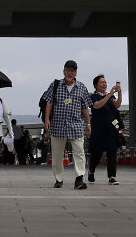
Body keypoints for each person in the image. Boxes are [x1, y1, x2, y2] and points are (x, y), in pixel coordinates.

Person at [42, 60, 92, 190]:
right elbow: (49, 103)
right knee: (57, 154)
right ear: (64, 71)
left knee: (79, 152)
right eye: (68, 70)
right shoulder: (55, 85)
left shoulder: (81, 87)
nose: (70, 73)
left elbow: (85, 107)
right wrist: (47, 119)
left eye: (73, 70)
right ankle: (59, 179)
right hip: (58, 125)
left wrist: (88, 124)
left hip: (76, 125)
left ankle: (79, 179)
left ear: (76, 73)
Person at [87, 75, 122, 185]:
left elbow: (117, 105)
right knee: (97, 154)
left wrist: (119, 93)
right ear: (96, 85)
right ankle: (91, 171)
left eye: (105, 82)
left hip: (111, 130)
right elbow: (97, 106)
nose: (104, 84)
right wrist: (110, 95)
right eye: (102, 82)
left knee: (112, 152)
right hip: (99, 131)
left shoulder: (110, 97)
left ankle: (112, 176)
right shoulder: (94, 97)